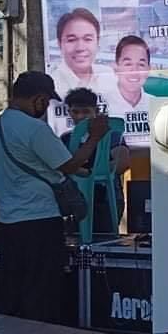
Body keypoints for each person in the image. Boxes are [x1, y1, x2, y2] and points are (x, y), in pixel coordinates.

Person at [0, 71, 109, 322]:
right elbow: (69, 165)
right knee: (43, 295)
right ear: (39, 99)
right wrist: (95, 136)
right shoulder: (34, 129)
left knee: (13, 295)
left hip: (7, 225)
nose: (45, 107)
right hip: (39, 223)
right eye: (46, 102)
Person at [60, 87, 130, 236]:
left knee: (104, 240)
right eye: (75, 112)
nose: (80, 116)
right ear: (69, 112)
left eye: (85, 112)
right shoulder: (66, 139)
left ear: (96, 111)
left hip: (106, 200)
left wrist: (90, 173)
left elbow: (122, 162)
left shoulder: (111, 135)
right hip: (74, 201)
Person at [50, 8, 114, 100]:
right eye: (71, 40)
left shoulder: (109, 76)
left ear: (98, 42)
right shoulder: (52, 85)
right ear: (59, 44)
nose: (80, 48)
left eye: (87, 39)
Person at [109, 35, 151, 114]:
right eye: (128, 64)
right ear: (116, 68)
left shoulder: (157, 105)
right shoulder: (99, 105)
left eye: (141, 64)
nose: (134, 71)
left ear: (148, 69)